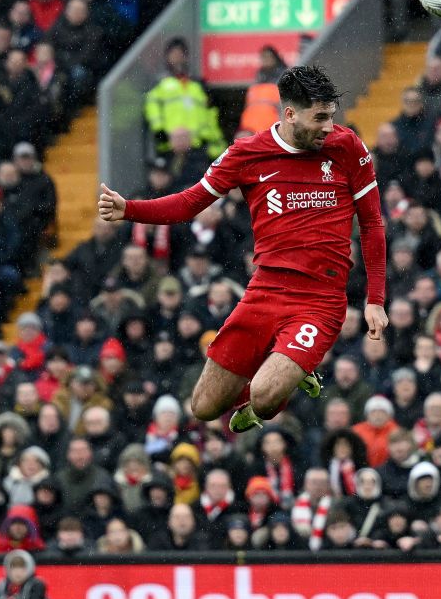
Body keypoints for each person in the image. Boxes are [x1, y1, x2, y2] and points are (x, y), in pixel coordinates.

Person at [100, 66, 388, 434]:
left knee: (266, 399)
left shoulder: (347, 147)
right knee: (203, 407)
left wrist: (375, 299)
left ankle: (281, 379)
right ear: (289, 114)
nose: (329, 127)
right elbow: (190, 203)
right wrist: (130, 209)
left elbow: (373, 224)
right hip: (264, 291)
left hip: (319, 299)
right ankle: (288, 372)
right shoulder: (248, 153)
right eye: (319, 118)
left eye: (331, 117)